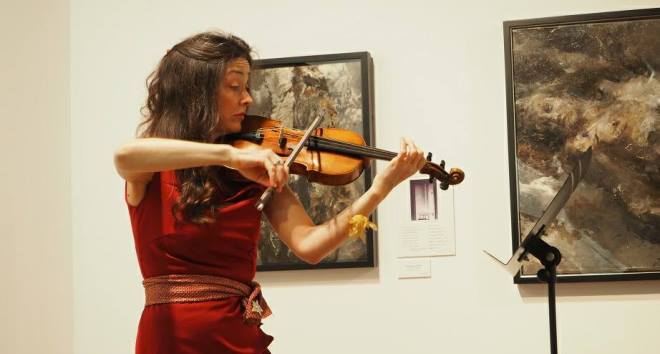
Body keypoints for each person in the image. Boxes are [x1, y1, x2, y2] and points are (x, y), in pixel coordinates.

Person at [114, 31, 427, 354]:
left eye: (246, 87)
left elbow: (310, 246)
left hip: (238, 333)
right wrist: (229, 156)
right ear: (197, 93)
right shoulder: (153, 169)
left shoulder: (257, 170)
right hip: (172, 338)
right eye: (235, 87)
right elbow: (124, 155)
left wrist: (380, 188)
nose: (247, 98)